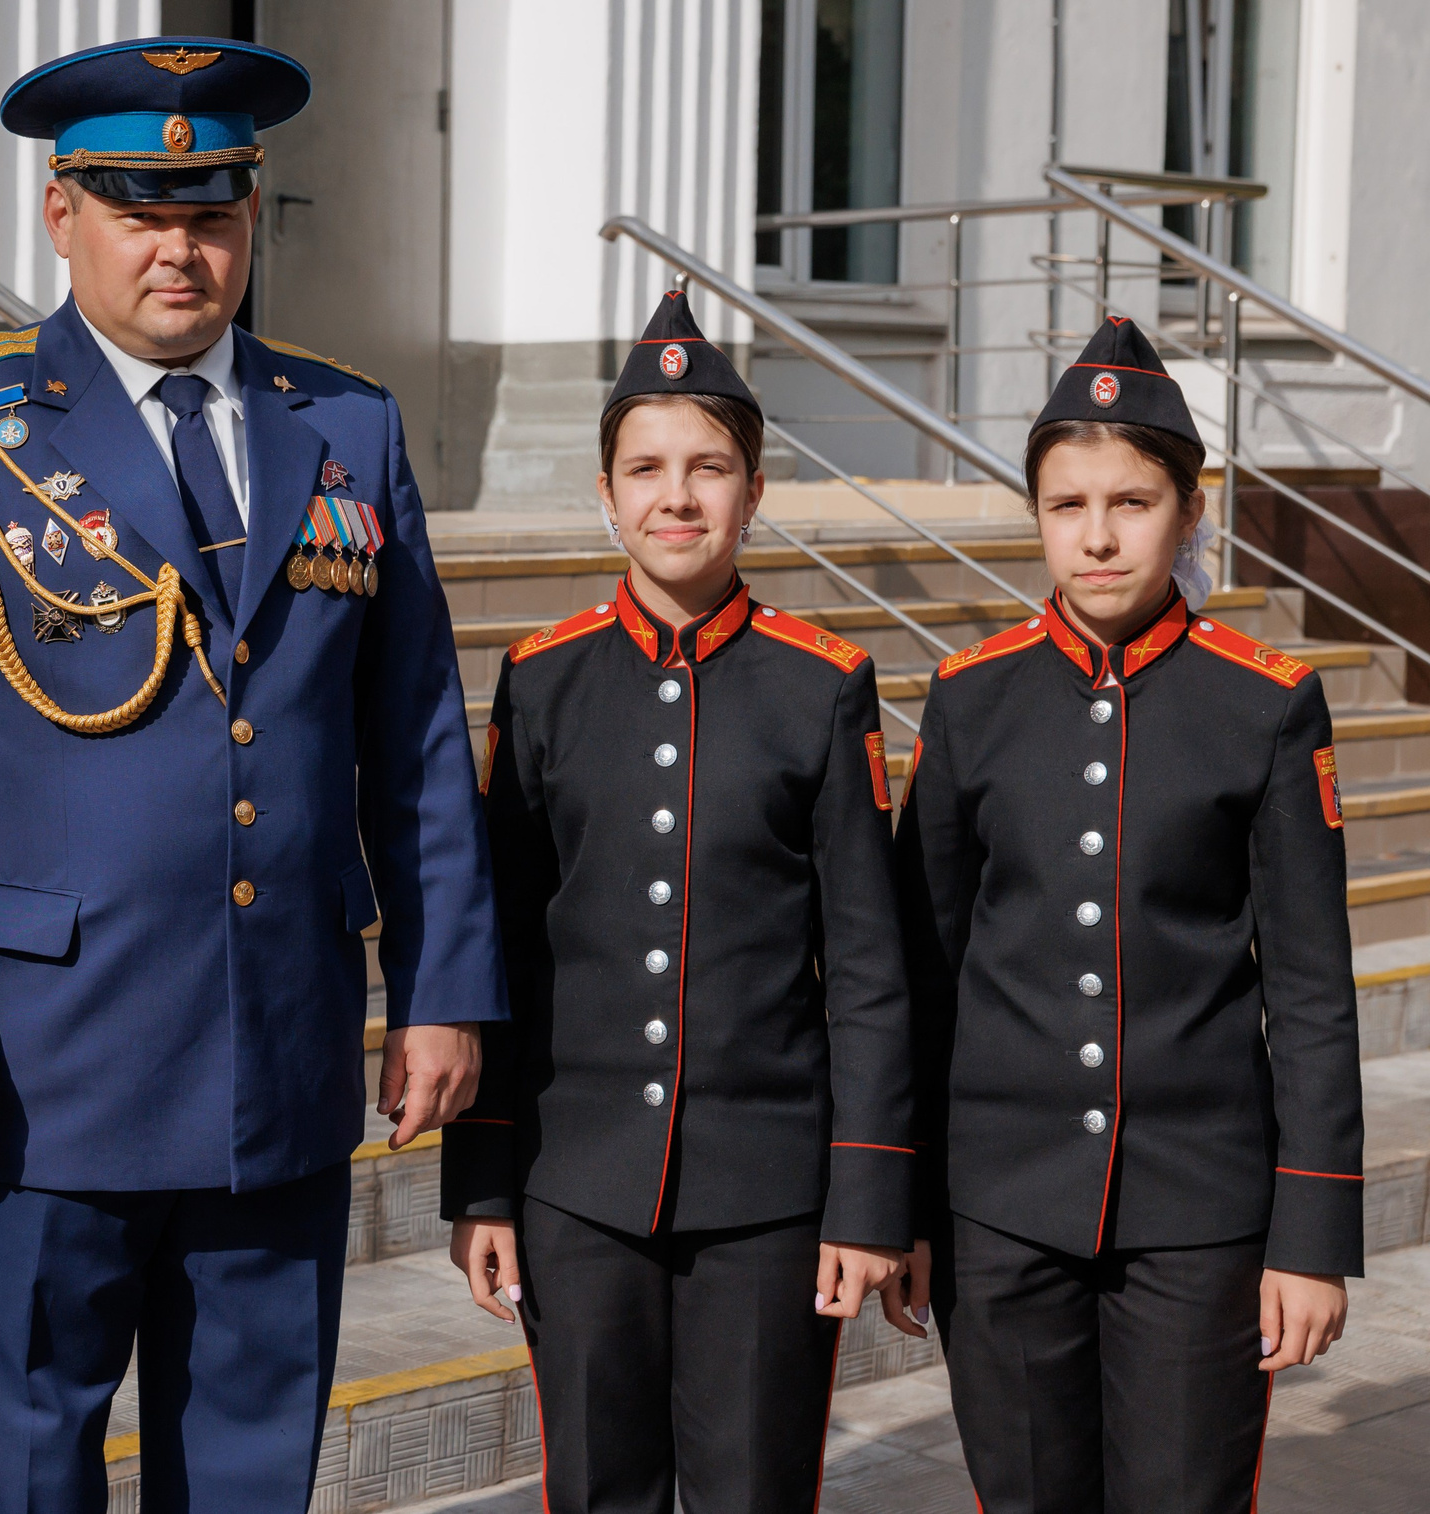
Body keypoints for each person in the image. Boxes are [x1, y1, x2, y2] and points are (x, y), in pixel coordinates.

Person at [0, 36, 505, 1510]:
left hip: (280, 1054)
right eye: (140, 209)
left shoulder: (349, 427)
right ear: (62, 216)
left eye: (212, 210)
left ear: (252, 215)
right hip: (40, 1072)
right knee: (17, 1473)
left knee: (252, 1471)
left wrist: (440, 987)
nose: (180, 249)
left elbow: (418, 739)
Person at [439, 291, 916, 1512]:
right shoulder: (541, 681)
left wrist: (865, 1194)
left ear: (755, 494)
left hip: (766, 1191)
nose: (678, 495)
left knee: (753, 1489)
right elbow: (504, 948)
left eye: (710, 467)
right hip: (576, 1178)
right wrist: (483, 1181)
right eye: (645, 467)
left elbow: (867, 964)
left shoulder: (821, 687)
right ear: (605, 493)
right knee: (599, 1487)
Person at [893, 317, 1365, 1513]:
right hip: (1001, 1207)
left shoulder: (1261, 705)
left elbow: (1308, 988)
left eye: (1131, 500)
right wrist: (897, 1197)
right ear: (1036, 515)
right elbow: (919, 970)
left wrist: (1309, 1232)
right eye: (1066, 505)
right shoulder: (970, 699)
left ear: (1189, 510)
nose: (1097, 535)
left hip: (1196, 1211)